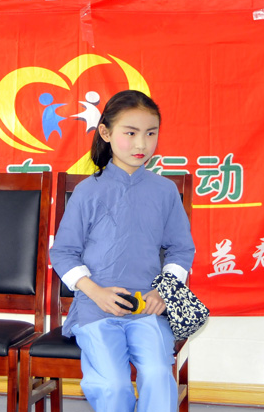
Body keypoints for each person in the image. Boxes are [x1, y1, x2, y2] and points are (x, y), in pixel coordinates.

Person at [49, 90, 196, 412]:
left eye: (150, 133)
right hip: (95, 309)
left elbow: (181, 248)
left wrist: (164, 291)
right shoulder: (88, 191)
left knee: (158, 375)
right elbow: (63, 252)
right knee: (112, 385)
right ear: (105, 133)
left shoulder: (164, 191)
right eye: (130, 133)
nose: (142, 144)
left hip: (148, 308)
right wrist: (96, 292)